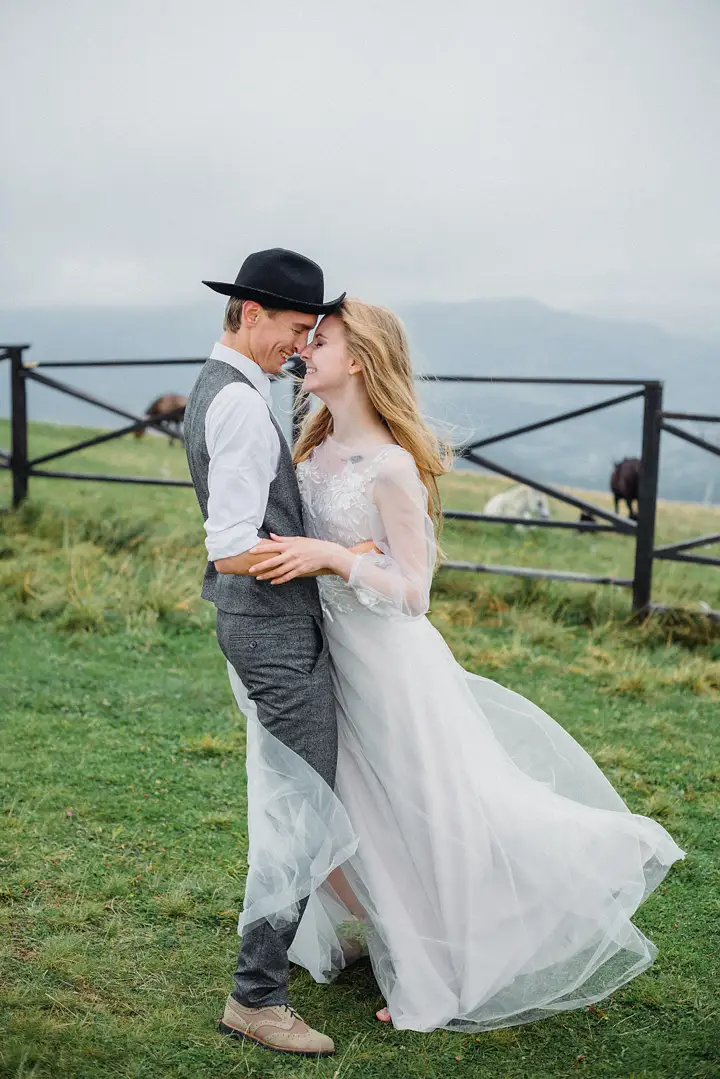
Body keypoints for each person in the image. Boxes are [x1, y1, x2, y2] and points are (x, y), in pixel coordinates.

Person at [241, 298, 685, 1034]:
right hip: (328, 661)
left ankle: (442, 970)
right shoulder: (311, 450)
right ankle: (383, 930)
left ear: (358, 361)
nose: (304, 349)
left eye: (321, 341)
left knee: (421, 815)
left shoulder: (391, 468)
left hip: (389, 666)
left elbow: (413, 592)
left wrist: (331, 557)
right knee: (346, 812)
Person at [184, 249, 365, 1058]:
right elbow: (228, 546)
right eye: (294, 329)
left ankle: (314, 940)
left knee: (300, 799)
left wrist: (323, 544)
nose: (298, 347)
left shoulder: (235, 385)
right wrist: (323, 555)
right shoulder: (235, 405)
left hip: (265, 624)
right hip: (270, 629)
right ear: (249, 311)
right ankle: (256, 997)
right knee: (301, 808)